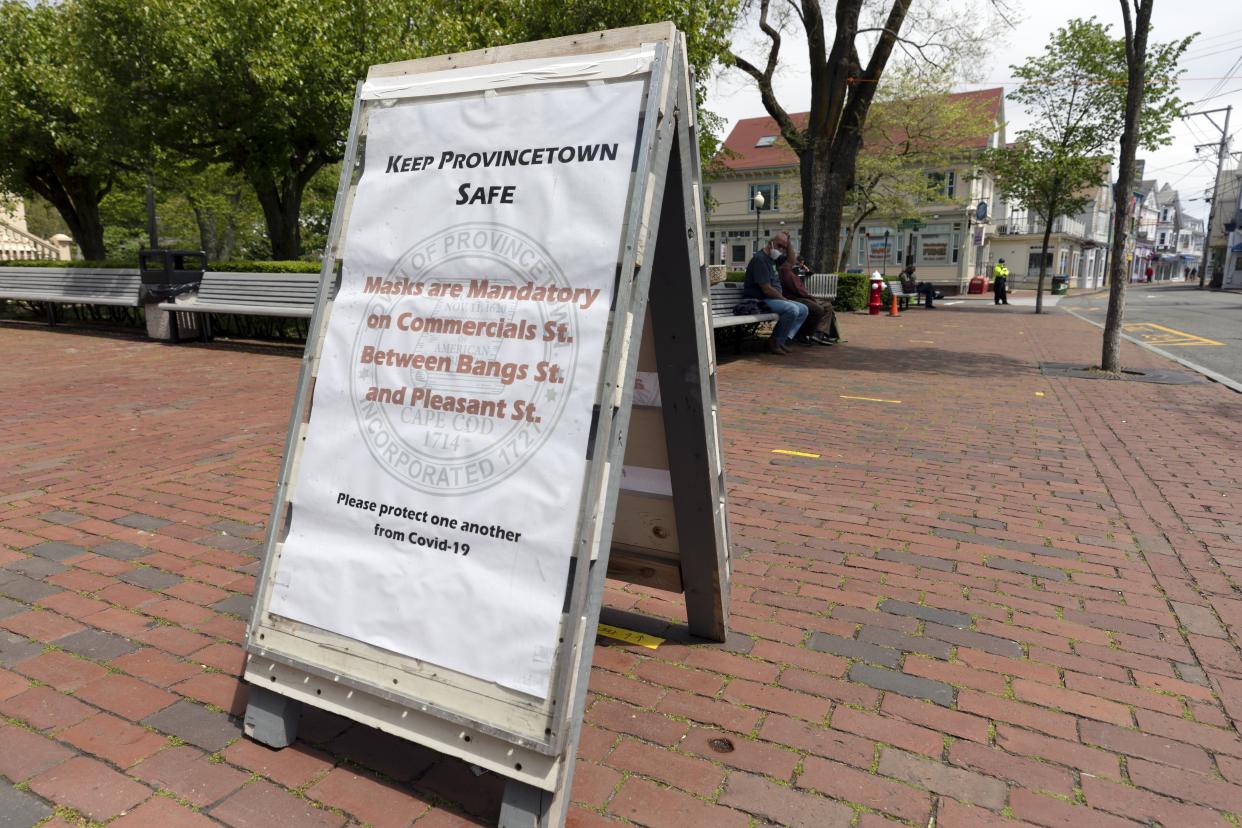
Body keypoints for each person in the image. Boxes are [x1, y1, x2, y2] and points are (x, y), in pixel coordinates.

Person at [743, 232, 807, 355]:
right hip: (759, 300)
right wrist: (784, 299)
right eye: (779, 245)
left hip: (771, 299)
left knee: (803, 309)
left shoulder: (773, 258)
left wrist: (789, 245)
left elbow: (792, 262)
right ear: (770, 243)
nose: (781, 249)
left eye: (784, 247)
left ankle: (782, 340)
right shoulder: (760, 259)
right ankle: (774, 342)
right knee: (791, 309)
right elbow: (766, 289)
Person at [779, 254, 839, 345]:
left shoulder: (791, 271)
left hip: (800, 297)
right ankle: (809, 334)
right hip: (795, 299)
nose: (795, 264)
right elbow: (799, 291)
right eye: (793, 261)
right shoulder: (787, 273)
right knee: (820, 307)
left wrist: (805, 269)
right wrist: (812, 298)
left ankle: (818, 334)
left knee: (827, 305)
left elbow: (808, 274)